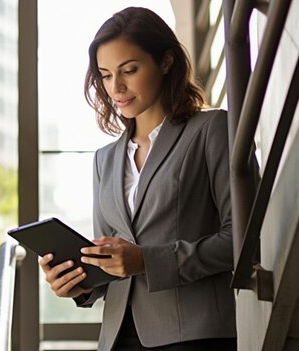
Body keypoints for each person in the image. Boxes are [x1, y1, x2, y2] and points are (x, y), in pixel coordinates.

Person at [39, 7, 237, 350]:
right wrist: (80, 285)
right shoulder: (105, 159)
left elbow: (242, 238)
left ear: (165, 62)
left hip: (196, 333)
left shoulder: (212, 130)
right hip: (117, 337)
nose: (117, 87)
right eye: (104, 75)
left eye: (129, 70)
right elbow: (113, 260)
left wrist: (147, 260)